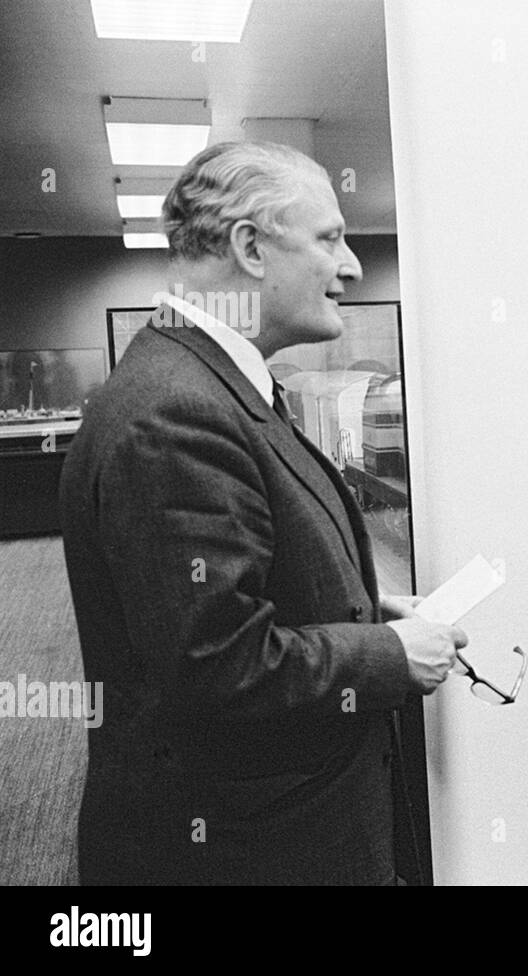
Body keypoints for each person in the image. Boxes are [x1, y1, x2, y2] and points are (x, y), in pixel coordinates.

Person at [59, 141, 467, 885]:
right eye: (329, 238)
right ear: (250, 246)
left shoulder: (211, 383)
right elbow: (218, 665)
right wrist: (391, 656)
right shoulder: (175, 413)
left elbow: (220, 585)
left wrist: (359, 605)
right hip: (247, 851)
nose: (352, 267)